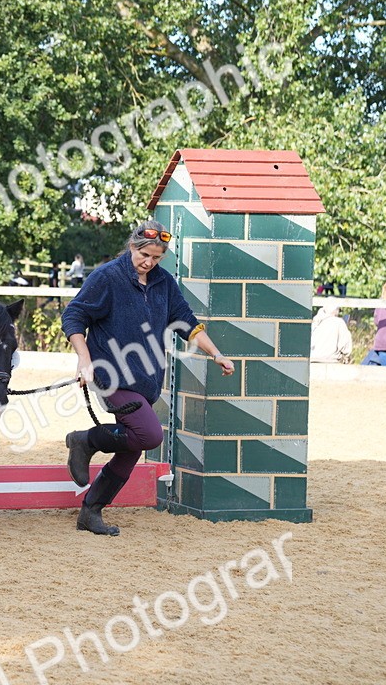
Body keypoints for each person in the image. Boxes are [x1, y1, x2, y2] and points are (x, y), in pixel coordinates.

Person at [62, 220, 233, 536]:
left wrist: (216, 353)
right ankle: (84, 440)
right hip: (110, 374)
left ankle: (91, 512)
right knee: (151, 436)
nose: (149, 262)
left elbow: (186, 322)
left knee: (132, 448)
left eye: (156, 257)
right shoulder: (106, 277)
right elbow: (73, 315)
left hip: (147, 381)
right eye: (144, 254)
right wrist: (84, 359)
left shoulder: (163, 282)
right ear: (132, 246)